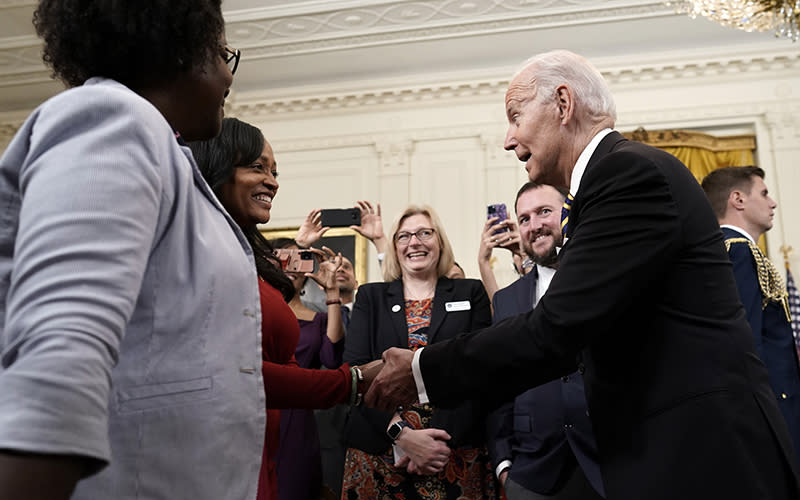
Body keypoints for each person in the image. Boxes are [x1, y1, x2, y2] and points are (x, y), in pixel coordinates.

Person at [365, 50, 800, 500]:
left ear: (563, 103)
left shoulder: (626, 173)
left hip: (703, 455)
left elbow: (557, 328)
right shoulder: (608, 181)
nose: (508, 139)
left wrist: (421, 368)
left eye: (515, 117)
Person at [0, 2, 260, 499]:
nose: (229, 77)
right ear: (186, 48)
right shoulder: (113, 117)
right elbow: (62, 352)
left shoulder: (164, 150)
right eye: (224, 53)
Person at [188, 117, 380, 500]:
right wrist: (352, 381)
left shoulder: (242, 255)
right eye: (257, 167)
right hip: (216, 455)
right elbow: (238, 373)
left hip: (265, 448)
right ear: (217, 167)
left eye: (274, 171)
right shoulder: (199, 252)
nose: (273, 181)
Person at [342, 205, 498, 499]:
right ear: (395, 247)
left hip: (452, 450)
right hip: (380, 453)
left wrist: (433, 447)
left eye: (425, 233)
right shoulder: (371, 297)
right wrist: (402, 436)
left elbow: (480, 370)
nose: (415, 242)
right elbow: (355, 374)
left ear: (440, 242)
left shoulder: (470, 292)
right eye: (404, 236)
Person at [487, 182, 603, 500]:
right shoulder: (507, 300)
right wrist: (503, 463)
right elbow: (499, 384)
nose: (534, 225)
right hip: (531, 474)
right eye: (524, 218)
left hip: (610, 463)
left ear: (568, 215)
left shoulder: (604, 279)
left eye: (544, 212)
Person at [701, 165, 800, 463]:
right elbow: (745, 340)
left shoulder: (724, 249)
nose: (773, 203)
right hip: (769, 406)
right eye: (765, 193)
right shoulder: (740, 251)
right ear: (738, 200)